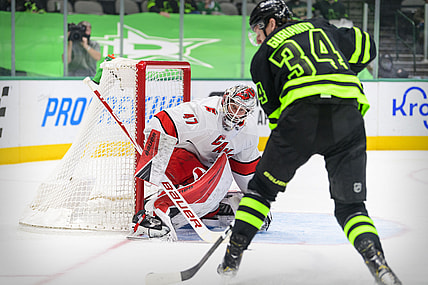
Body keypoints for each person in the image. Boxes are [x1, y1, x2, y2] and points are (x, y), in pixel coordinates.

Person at [217, 1, 402, 285]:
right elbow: (368, 46)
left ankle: (231, 259)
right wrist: (340, 67)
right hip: (347, 116)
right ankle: (379, 264)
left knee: (261, 193)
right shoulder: (323, 27)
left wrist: (291, 148)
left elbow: (276, 116)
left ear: (271, 23)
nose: (256, 37)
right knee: (351, 207)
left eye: (258, 28)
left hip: (299, 118)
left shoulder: (262, 56)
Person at [129, 84, 272, 241]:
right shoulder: (203, 112)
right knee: (198, 175)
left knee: (209, 188)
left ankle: (221, 206)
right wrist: (154, 160)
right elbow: (161, 122)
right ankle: (151, 212)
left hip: (205, 173)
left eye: (242, 110)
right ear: (225, 100)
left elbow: (246, 170)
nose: (236, 113)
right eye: (233, 106)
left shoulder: (248, 132)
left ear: (249, 113)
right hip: (179, 159)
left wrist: (256, 200)